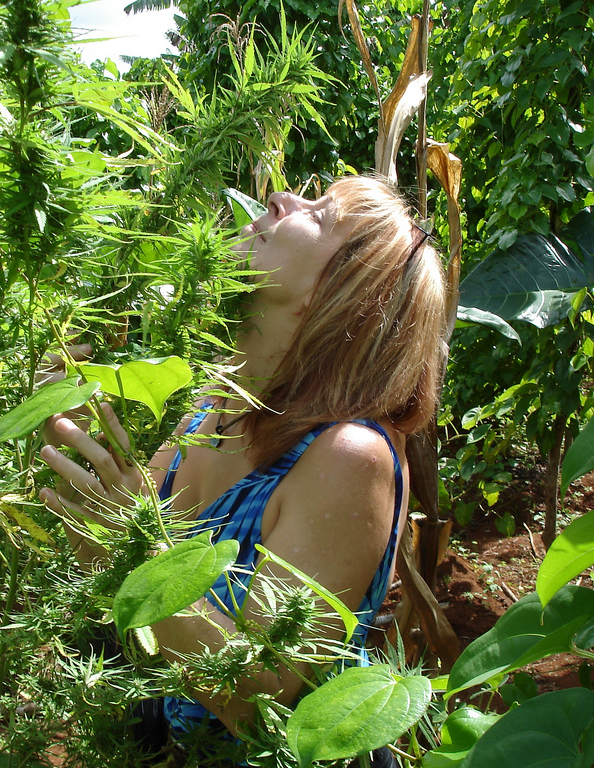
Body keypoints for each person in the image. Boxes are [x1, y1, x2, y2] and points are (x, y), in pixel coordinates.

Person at [38, 175, 448, 760]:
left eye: (322, 215)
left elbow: (260, 696)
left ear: (342, 294)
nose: (281, 200)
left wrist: (131, 547)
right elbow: (125, 595)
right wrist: (65, 429)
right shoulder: (211, 406)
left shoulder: (349, 456)